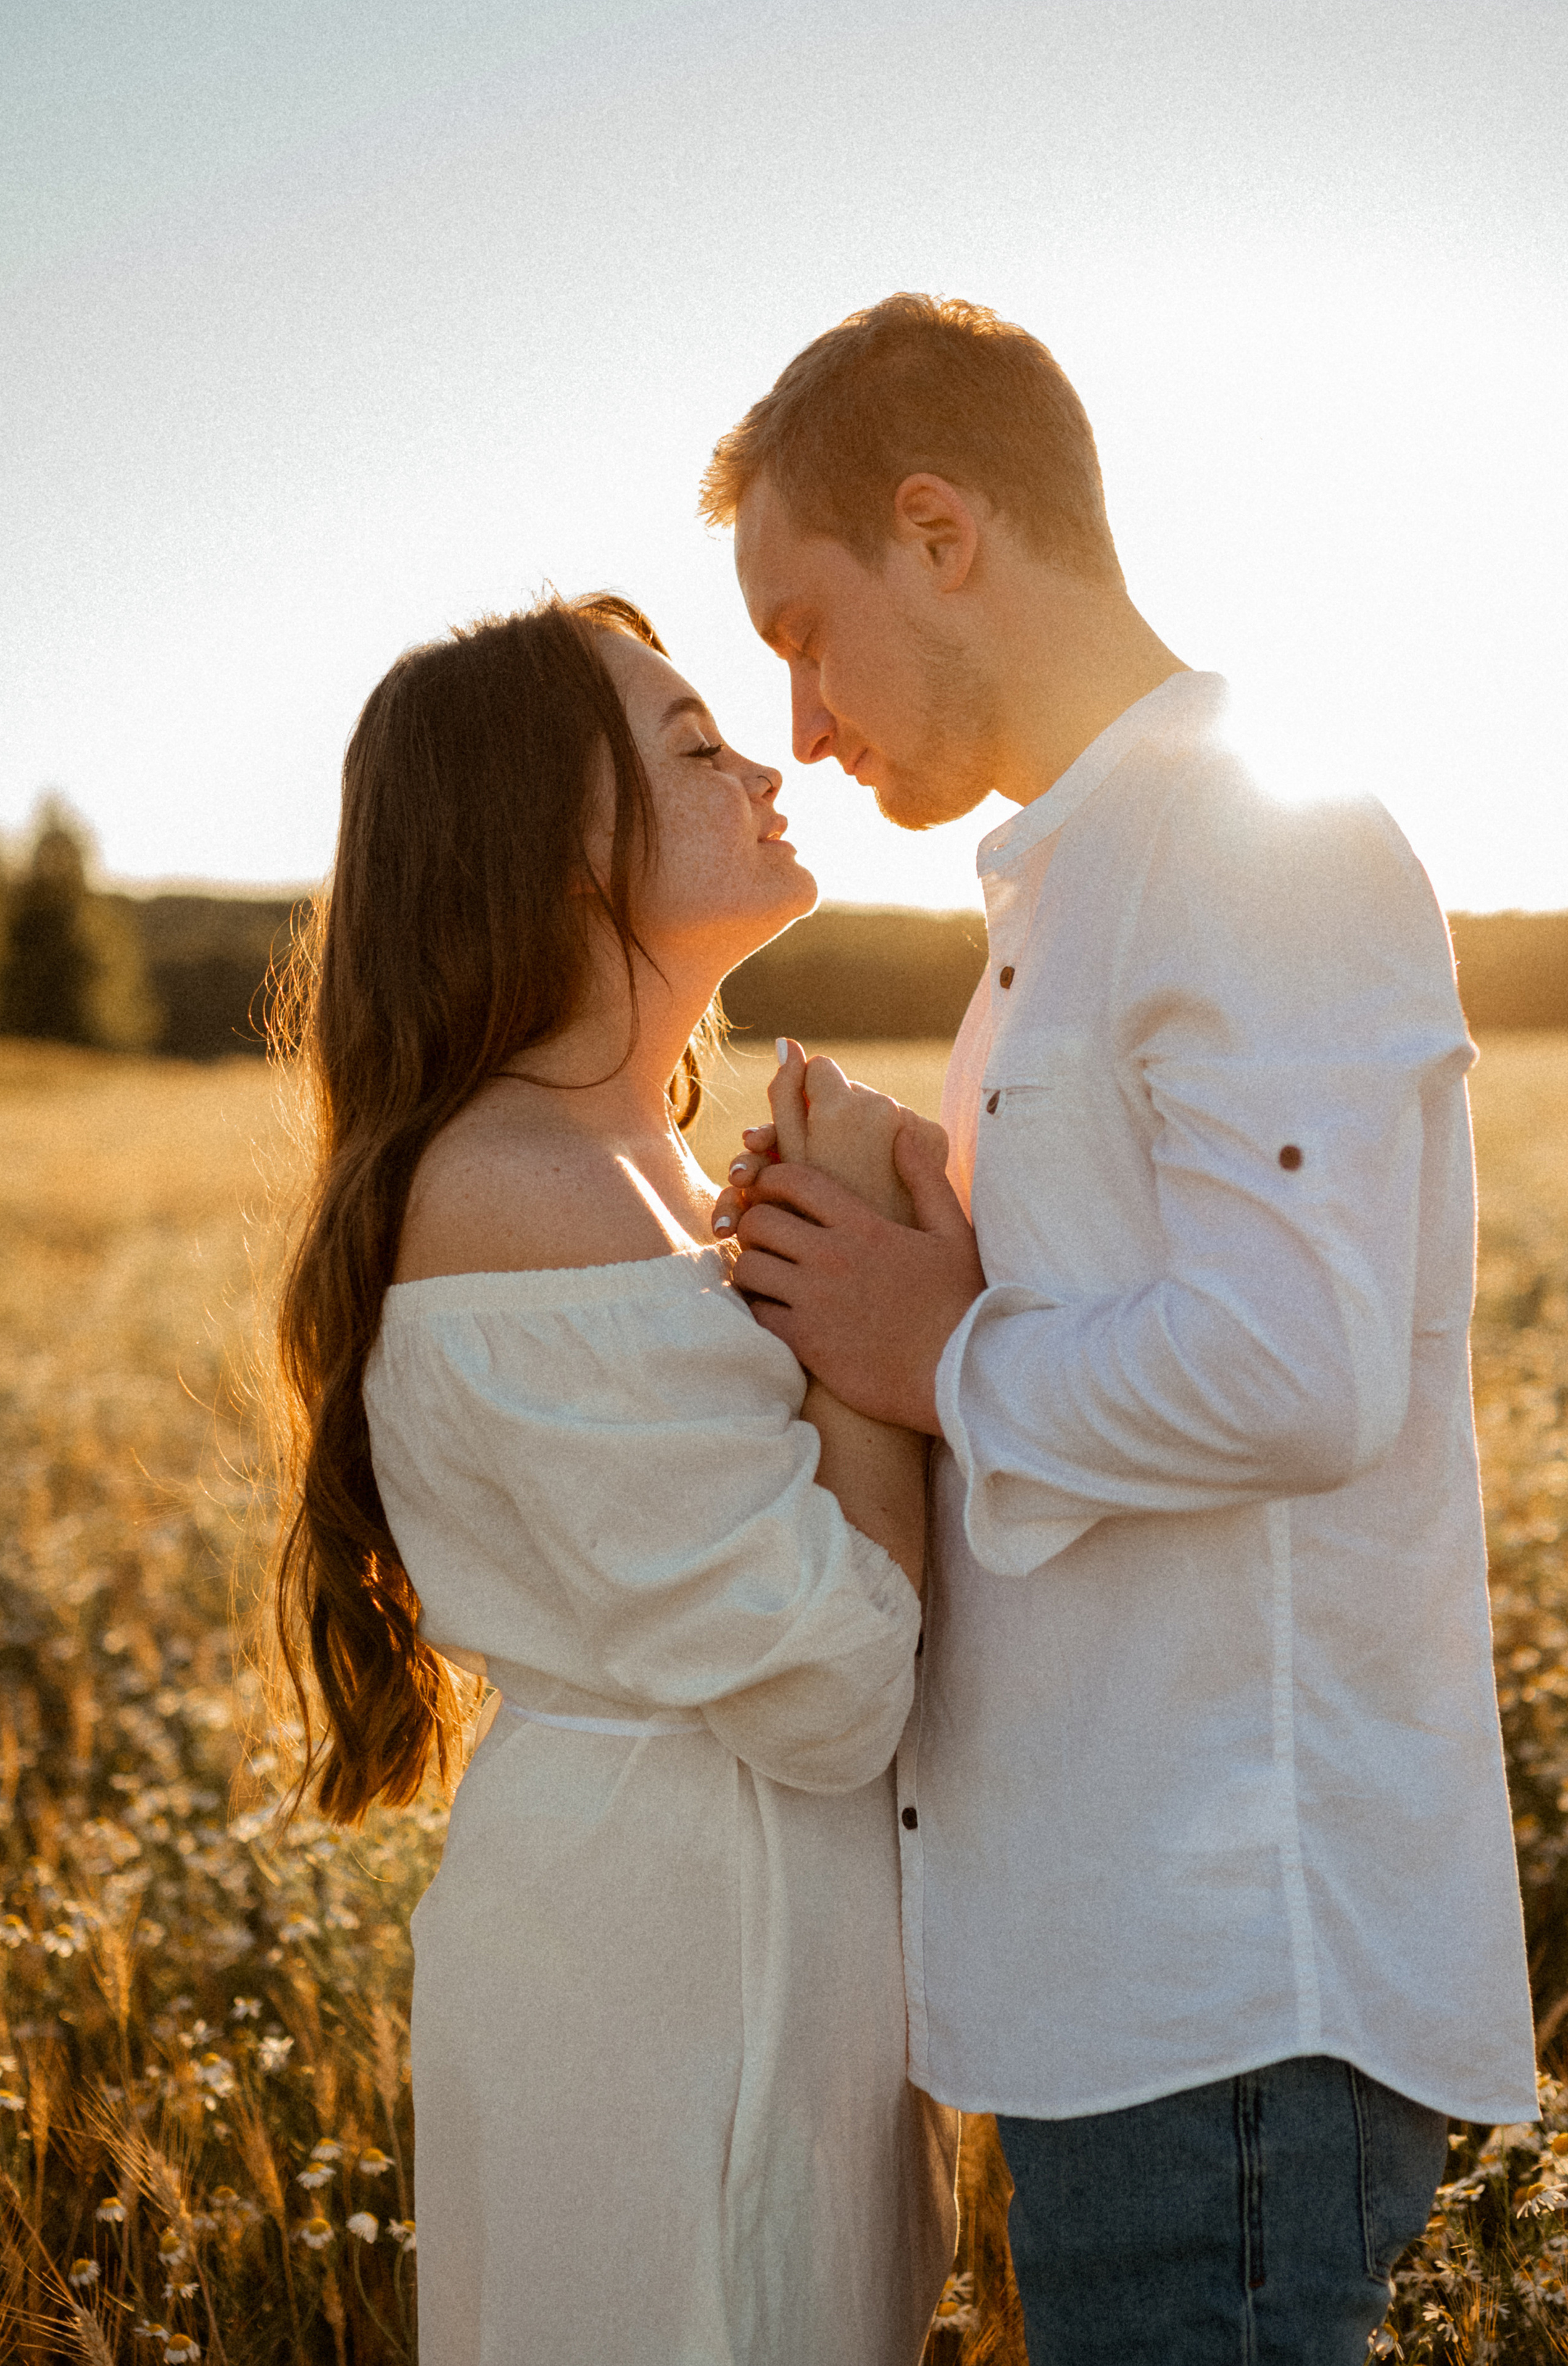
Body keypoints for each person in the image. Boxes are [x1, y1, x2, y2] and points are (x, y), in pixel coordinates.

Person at [706, 294, 1539, 2364]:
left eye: (805, 630)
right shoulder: (1075, 894)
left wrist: (935, 1349)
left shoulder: (1254, 840)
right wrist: (920, 1226)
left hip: (1226, 1995)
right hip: (1124, 1987)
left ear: (940, 530)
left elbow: (1299, 1367)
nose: (800, 721)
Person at [270, 592, 956, 2365]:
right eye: (693, 745)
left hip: (735, 1948)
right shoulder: (522, 1182)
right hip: (659, 1972)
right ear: (555, 846)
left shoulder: (634, 1160)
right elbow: (830, 1680)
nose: (766, 764)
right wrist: (865, 1311)